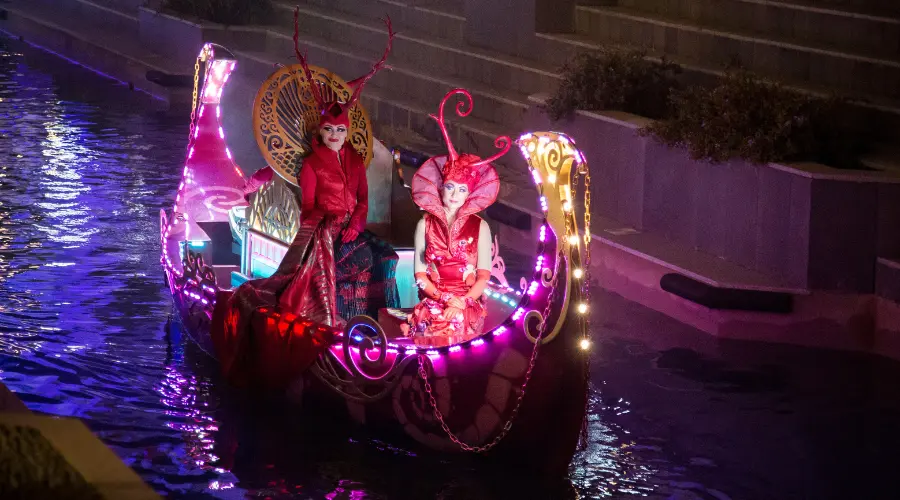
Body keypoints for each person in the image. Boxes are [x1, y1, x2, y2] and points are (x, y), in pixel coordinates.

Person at [215, 13, 398, 385]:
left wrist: (358, 221)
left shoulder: (355, 160)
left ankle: (380, 323)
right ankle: (340, 325)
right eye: (329, 130)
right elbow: (310, 207)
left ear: (348, 133)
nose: (334, 135)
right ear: (322, 131)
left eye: (340, 130)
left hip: (352, 227)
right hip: (323, 231)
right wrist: (331, 227)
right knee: (355, 260)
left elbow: (362, 198)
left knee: (385, 255)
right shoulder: (311, 165)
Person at [405, 88, 510, 347]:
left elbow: (484, 276)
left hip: (468, 301)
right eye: (450, 187)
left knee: (457, 322)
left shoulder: (480, 226)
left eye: (461, 189)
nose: (454, 194)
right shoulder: (424, 224)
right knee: (433, 322)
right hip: (434, 300)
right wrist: (442, 298)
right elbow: (420, 274)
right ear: (441, 188)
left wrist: (461, 301)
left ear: (469, 194)